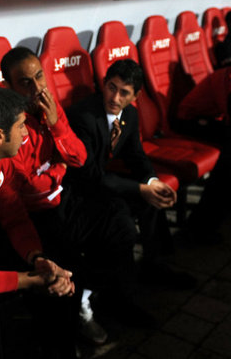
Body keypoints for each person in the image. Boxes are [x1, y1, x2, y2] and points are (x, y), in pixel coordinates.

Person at [0, 47, 131, 341]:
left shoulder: (50, 106)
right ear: (8, 86)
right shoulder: (10, 122)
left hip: (62, 196)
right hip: (34, 213)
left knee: (120, 222)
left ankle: (93, 295)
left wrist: (56, 124)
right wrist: (56, 169)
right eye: (25, 82)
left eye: (39, 77)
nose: (37, 88)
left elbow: (79, 158)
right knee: (66, 261)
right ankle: (73, 321)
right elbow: (26, 187)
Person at [65, 59, 196, 323]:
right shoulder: (83, 116)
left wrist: (152, 182)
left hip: (102, 183)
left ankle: (152, 264)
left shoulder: (130, 115)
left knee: (151, 199)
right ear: (103, 84)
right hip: (77, 191)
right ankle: (120, 297)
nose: (115, 98)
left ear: (135, 96)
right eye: (111, 88)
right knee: (122, 218)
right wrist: (139, 189)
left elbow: (136, 155)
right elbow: (89, 175)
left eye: (124, 92)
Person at [0, 86, 75, 358]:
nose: (25, 134)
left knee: (58, 275)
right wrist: (27, 280)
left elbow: (14, 215)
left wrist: (37, 258)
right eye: (21, 126)